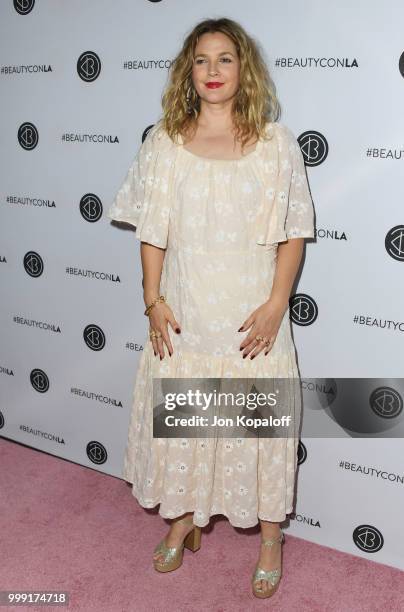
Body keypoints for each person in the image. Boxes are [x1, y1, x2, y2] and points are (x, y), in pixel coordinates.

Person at [107, 17, 315, 599]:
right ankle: (184, 517)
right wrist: (152, 300)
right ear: (188, 72)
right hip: (188, 310)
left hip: (254, 319)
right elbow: (152, 232)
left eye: (225, 59)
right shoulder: (165, 143)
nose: (213, 71)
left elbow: (292, 233)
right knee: (188, 420)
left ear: (242, 68)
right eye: (202, 60)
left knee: (257, 429)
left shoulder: (277, 143)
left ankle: (271, 537)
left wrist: (278, 303)